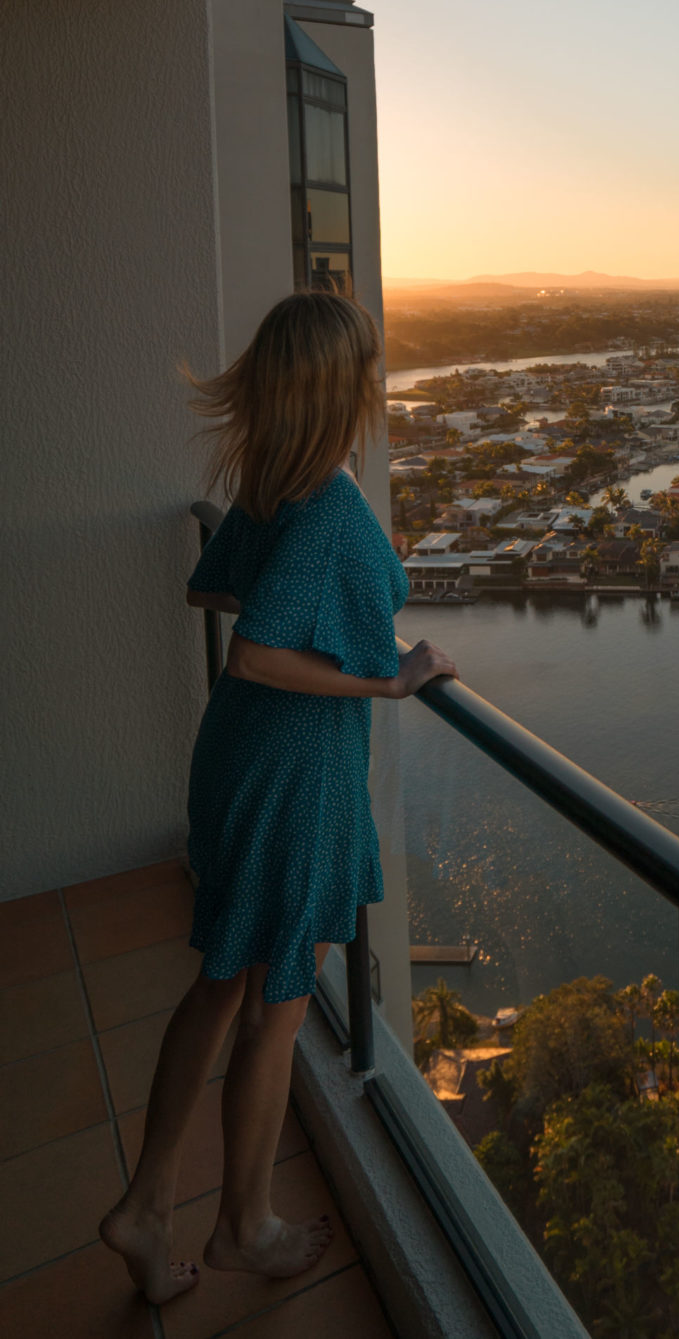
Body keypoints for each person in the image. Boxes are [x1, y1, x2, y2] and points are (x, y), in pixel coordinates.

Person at [100, 292, 455, 1304]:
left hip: (240, 760)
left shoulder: (268, 487)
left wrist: (308, 626)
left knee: (222, 983)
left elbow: (212, 595)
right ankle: (244, 1224)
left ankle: (145, 1204)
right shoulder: (328, 502)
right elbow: (255, 647)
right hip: (295, 775)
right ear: (342, 388)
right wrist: (384, 677)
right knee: (277, 1008)